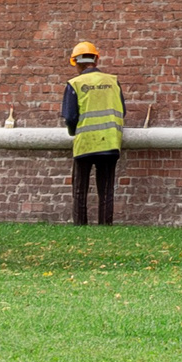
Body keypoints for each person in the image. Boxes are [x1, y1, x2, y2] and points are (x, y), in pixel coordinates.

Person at [61, 40, 126, 226]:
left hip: (85, 142)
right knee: (106, 190)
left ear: (76, 63)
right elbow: (123, 110)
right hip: (110, 142)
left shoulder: (75, 84)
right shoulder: (112, 81)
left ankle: (80, 225)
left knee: (80, 189)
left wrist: (74, 132)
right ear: (96, 60)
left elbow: (70, 117)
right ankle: (105, 226)